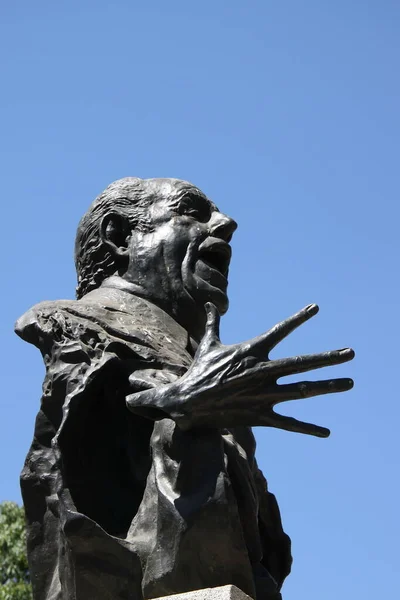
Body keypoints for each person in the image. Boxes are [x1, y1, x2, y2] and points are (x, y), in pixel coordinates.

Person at [16, 177, 354, 600]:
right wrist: (173, 408)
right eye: (192, 210)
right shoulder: (75, 325)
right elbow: (81, 449)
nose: (226, 223)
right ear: (120, 236)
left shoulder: (200, 361)